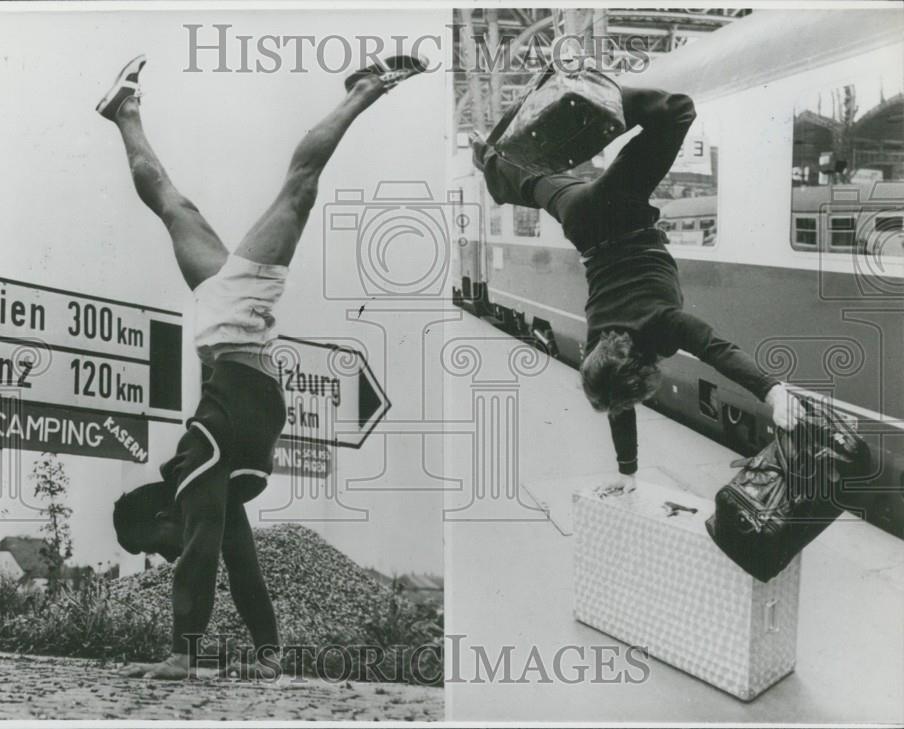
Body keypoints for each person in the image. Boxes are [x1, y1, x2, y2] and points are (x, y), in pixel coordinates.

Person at [101, 52, 426, 680]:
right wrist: (269, 656)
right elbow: (239, 563)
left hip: (236, 323)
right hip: (231, 326)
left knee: (298, 186)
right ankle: (125, 113)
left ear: (161, 515)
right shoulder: (211, 478)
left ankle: (363, 90)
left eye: (155, 546)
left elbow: (196, 556)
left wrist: (182, 655)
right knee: (174, 205)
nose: (166, 556)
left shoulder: (198, 463)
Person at [472, 75, 804, 485]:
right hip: (581, 221)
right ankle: (492, 163)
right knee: (535, 181)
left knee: (679, 110)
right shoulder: (598, 344)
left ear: (646, 372)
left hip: (619, 211)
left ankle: (590, 102)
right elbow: (617, 403)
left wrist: (772, 391)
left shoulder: (665, 327)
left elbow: (719, 351)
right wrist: (626, 473)